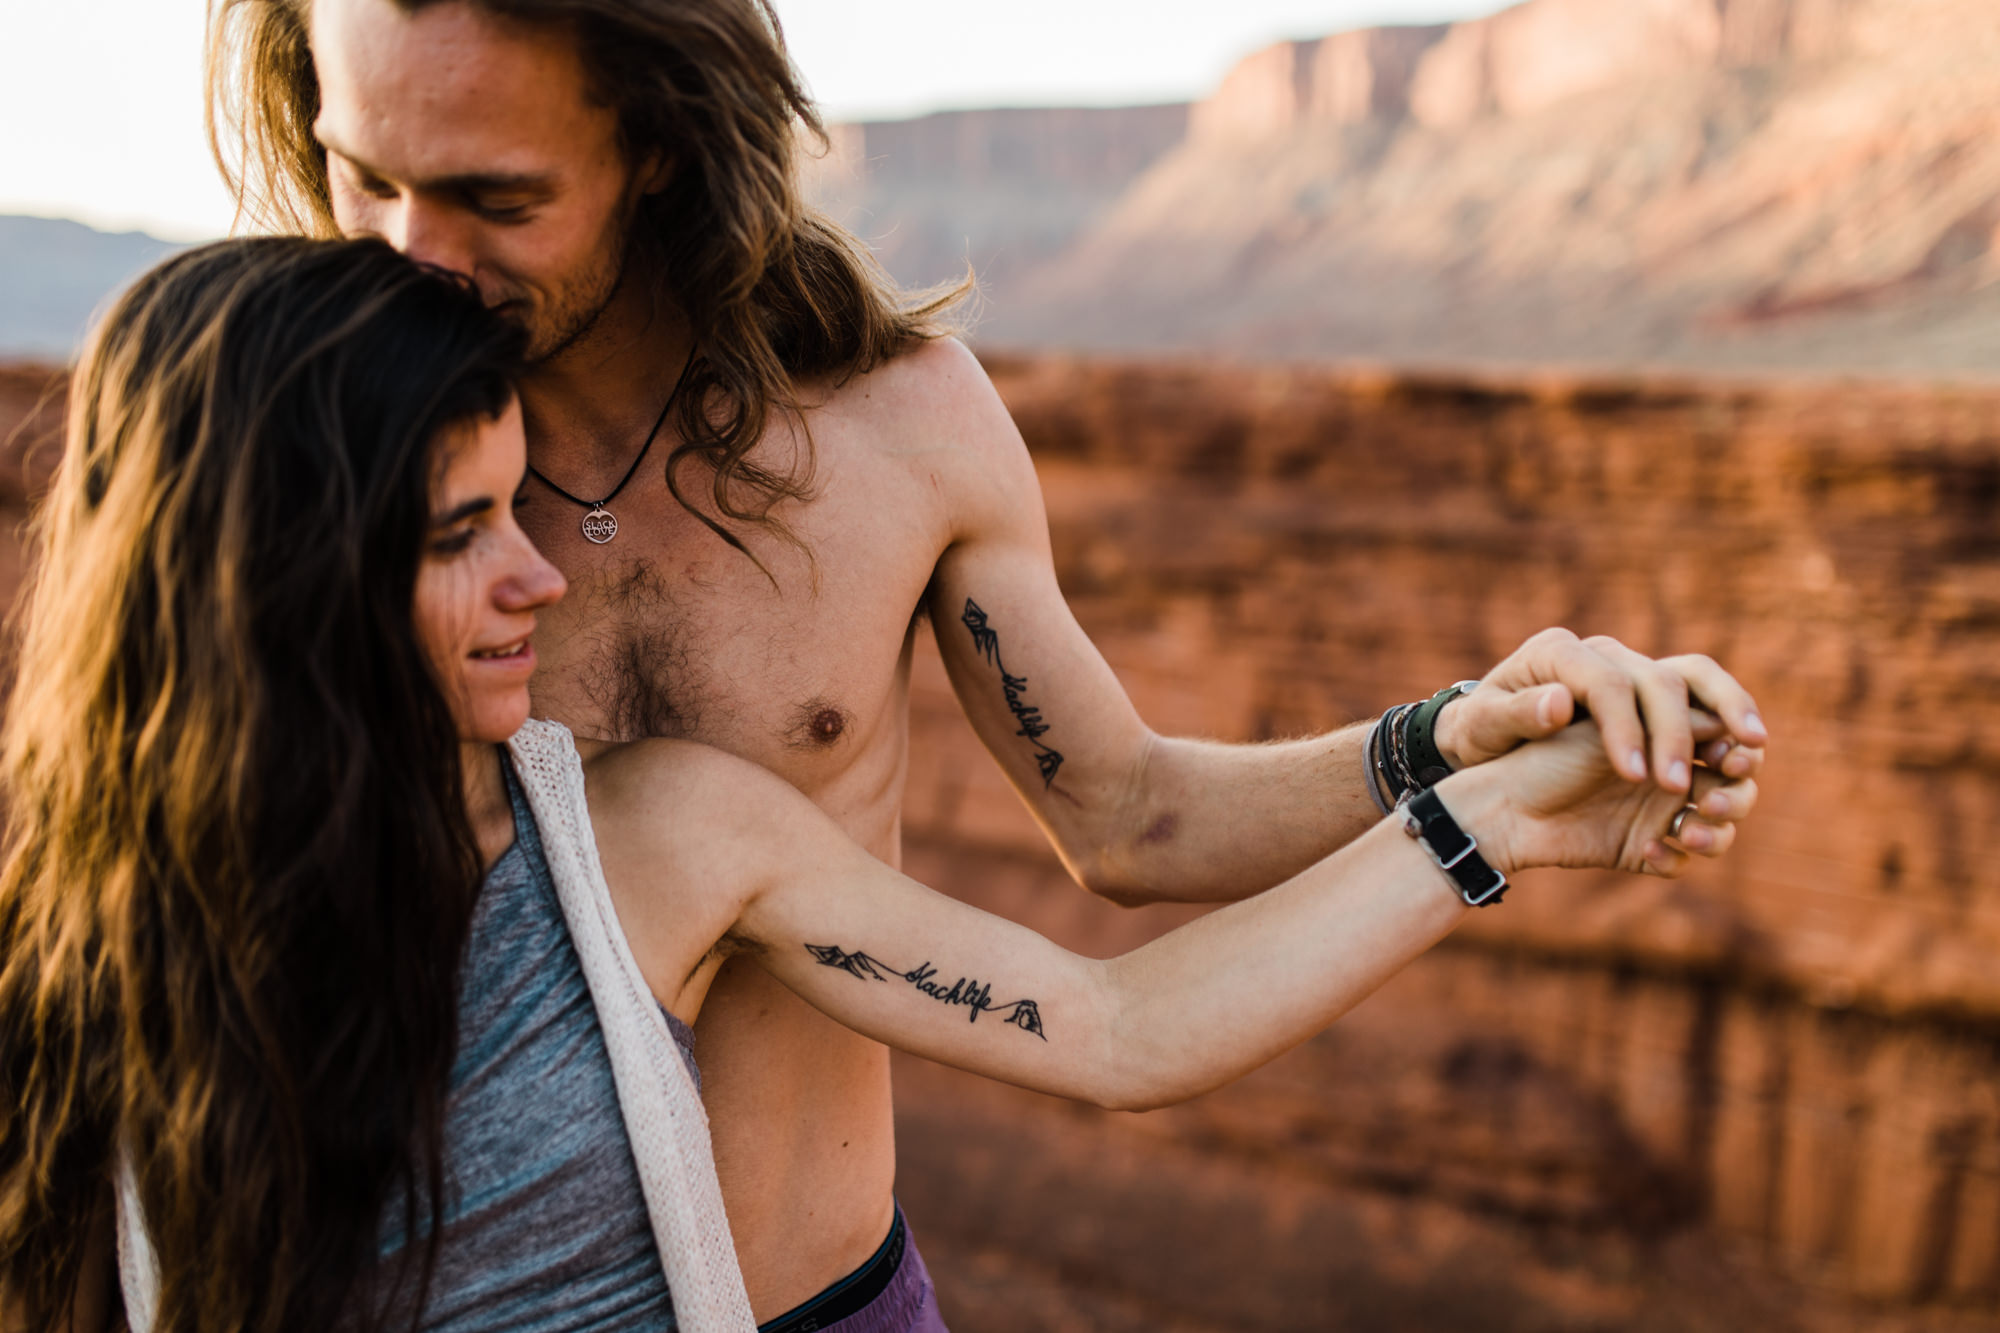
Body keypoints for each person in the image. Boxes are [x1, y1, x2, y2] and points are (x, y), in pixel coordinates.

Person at [206, 0, 1772, 1323]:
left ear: (661, 138)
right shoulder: (317, 469)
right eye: (362, 178)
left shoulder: (901, 432)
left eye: (495, 197)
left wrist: (1453, 747)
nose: (411, 255)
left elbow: (1131, 822)